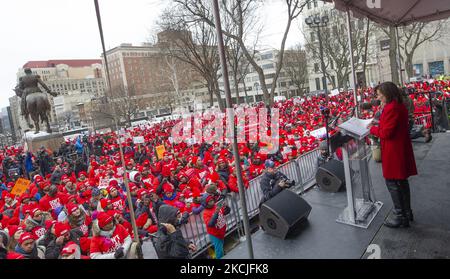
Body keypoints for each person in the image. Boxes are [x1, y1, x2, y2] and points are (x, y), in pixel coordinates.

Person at [367, 82, 417, 228]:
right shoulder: (398, 105)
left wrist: (372, 129)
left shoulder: (391, 108)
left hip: (393, 150)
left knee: (393, 182)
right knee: (402, 182)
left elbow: (386, 133)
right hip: (399, 148)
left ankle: (400, 216)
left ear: (387, 93)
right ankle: (407, 213)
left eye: (380, 94)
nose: (378, 96)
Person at [202, 194, 229, 259]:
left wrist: (226, 207)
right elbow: (210, 223)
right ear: (206, 203)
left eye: (212, 200)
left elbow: (225, 212)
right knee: (219, 251)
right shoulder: (205, 213)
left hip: (221, 231)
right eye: (210, 201)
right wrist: (216, 213)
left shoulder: (215, 206)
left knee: (221, 247)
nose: (212, 202)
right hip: (214, 234)